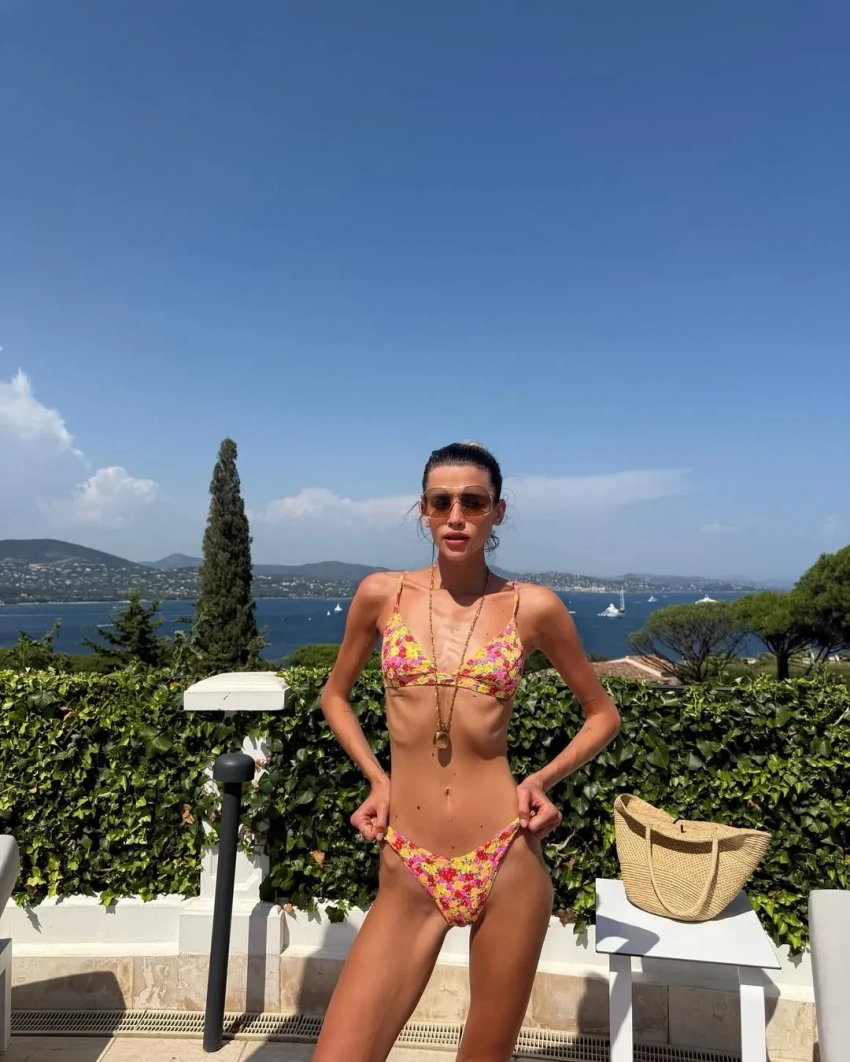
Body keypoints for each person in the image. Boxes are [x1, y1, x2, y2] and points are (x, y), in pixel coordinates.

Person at [314, 442, 621, 1062]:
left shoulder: (532, 607)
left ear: (497, 511)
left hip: (507, 855)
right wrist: (377, 779)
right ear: (423, 510)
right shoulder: (382, 595)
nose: (456, 516)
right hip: (409, 859)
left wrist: (542, 779)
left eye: (473, 502)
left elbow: (603, 715)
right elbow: (334, 696)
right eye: (441, 502)